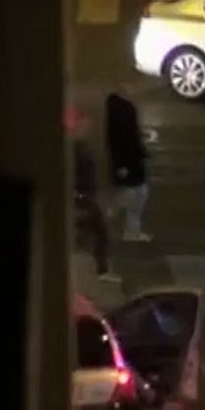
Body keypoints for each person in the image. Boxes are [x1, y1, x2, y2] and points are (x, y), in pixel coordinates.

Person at [68, 108, 120, 282]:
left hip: (85, 197)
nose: (88, 127)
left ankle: (100, 269)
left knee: (93, 232)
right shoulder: (76, 149)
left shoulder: (79, 147)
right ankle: (101, 270)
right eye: (84, 124)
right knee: (98, 232)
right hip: (83, 198)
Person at [105, 87, 151, 241]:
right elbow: (123, 140)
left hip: (128, 162)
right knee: (134, 195)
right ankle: (125, 227)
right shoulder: (124, 111)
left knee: (135, 195)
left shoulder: (117, 109)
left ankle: (131, 230)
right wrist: (122, 165)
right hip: (129, 162)